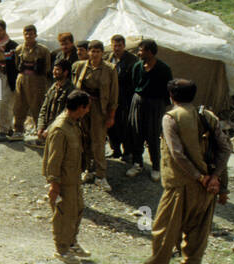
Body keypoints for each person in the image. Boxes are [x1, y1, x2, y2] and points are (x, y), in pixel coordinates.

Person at [124, 78, 231, 264]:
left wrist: (198, 176)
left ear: (171, 96)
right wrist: (215, 179)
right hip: (208, 188)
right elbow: (225, 149)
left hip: (182, 186)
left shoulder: (171, 118)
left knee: (165, 231)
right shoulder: (208, 116)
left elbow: (177, 155)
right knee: (198, 234)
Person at [42, 90, 92, 264]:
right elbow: (53, 159)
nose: (87, 111)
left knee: (77, 209)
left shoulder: (73, 124)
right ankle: (62, 249)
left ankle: (71, 243)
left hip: (73, 178)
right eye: (86, 107)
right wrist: (54, 184)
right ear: (80, 108)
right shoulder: (60, 129)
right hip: (63, 180)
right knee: (64, 214)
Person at [71, 40, 118, 189]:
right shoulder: (80, 66)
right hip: (83, 107)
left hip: (99, 108)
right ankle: (87, 169)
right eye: (92, 51)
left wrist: (111, 115)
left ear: (102, 53)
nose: (94, 54)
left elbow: (113, 94)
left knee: (98, 140)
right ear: (88, 52)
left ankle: (101, 175)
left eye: (98, 51)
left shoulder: (110, 69)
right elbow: (74, 88)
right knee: (84, 138)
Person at [126, 39, 172, 181]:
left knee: (153, 136)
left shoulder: (163, 69)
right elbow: (133, 84)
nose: (139, 53)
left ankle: (156, 167)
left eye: (141, 50)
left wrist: (161, 106)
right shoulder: (137, 67)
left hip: (156, 104)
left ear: (150, 52)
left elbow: (168, 89)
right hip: (138, 101)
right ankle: (137, 163)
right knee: (136, 133)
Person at [13, 24, 51, 136]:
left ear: (35, 35)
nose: (29, 36)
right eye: (26, 34)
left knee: (37, 106)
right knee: (19, 105)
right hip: (22, 79)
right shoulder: (19, 49)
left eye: (31, 34)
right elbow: (17, 64)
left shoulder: (43, 50)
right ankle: (18, 130)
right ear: (23, 35)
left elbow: (47, 67)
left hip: (37, 80)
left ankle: (39, 131)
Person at [0, 19, 20, 140]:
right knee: (0, 102)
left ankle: (3, 129)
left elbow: (17, 62)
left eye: (0, 30)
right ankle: (8, 128)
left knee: (6, 102)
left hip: (10, 76)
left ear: (4, 30)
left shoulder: (13, 45)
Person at [108, 34, 135, 161]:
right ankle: (115, 149)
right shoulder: (108, 58)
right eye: (115, 45)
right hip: (111, 98)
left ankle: (127, 151)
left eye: (119, 46)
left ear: (124, 46)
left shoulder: (132, 60)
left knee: (125, 125)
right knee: (111, 125)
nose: (117, 48)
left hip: (125, 98)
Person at [35, 58, 74, 143]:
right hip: (49, 130)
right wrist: (40, 127)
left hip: (62, 131)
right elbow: (44, 109)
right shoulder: (53, 88)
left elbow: (66, 114)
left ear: (65, 72)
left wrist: (49, 129)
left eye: (57, 70)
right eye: (54, 69)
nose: (54, 72)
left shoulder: (71, 90)